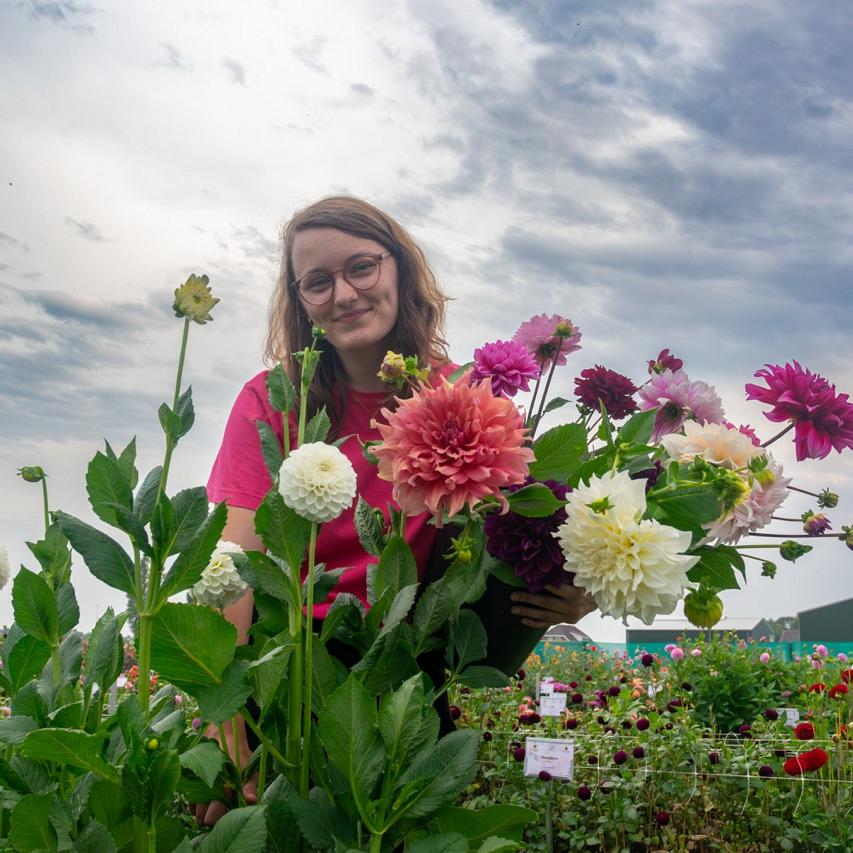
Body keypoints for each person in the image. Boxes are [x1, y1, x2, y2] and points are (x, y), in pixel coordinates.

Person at [195, 196, 596, 825]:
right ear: (300, 301)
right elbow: (234, 557)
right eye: (317, 282)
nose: (344, 294)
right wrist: (224, 707)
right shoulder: (276, 398)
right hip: (285, 670)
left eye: (362, 267)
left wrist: (577, 591)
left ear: (400, 270)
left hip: (404, 676)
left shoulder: (462, 397)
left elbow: (532, 528)